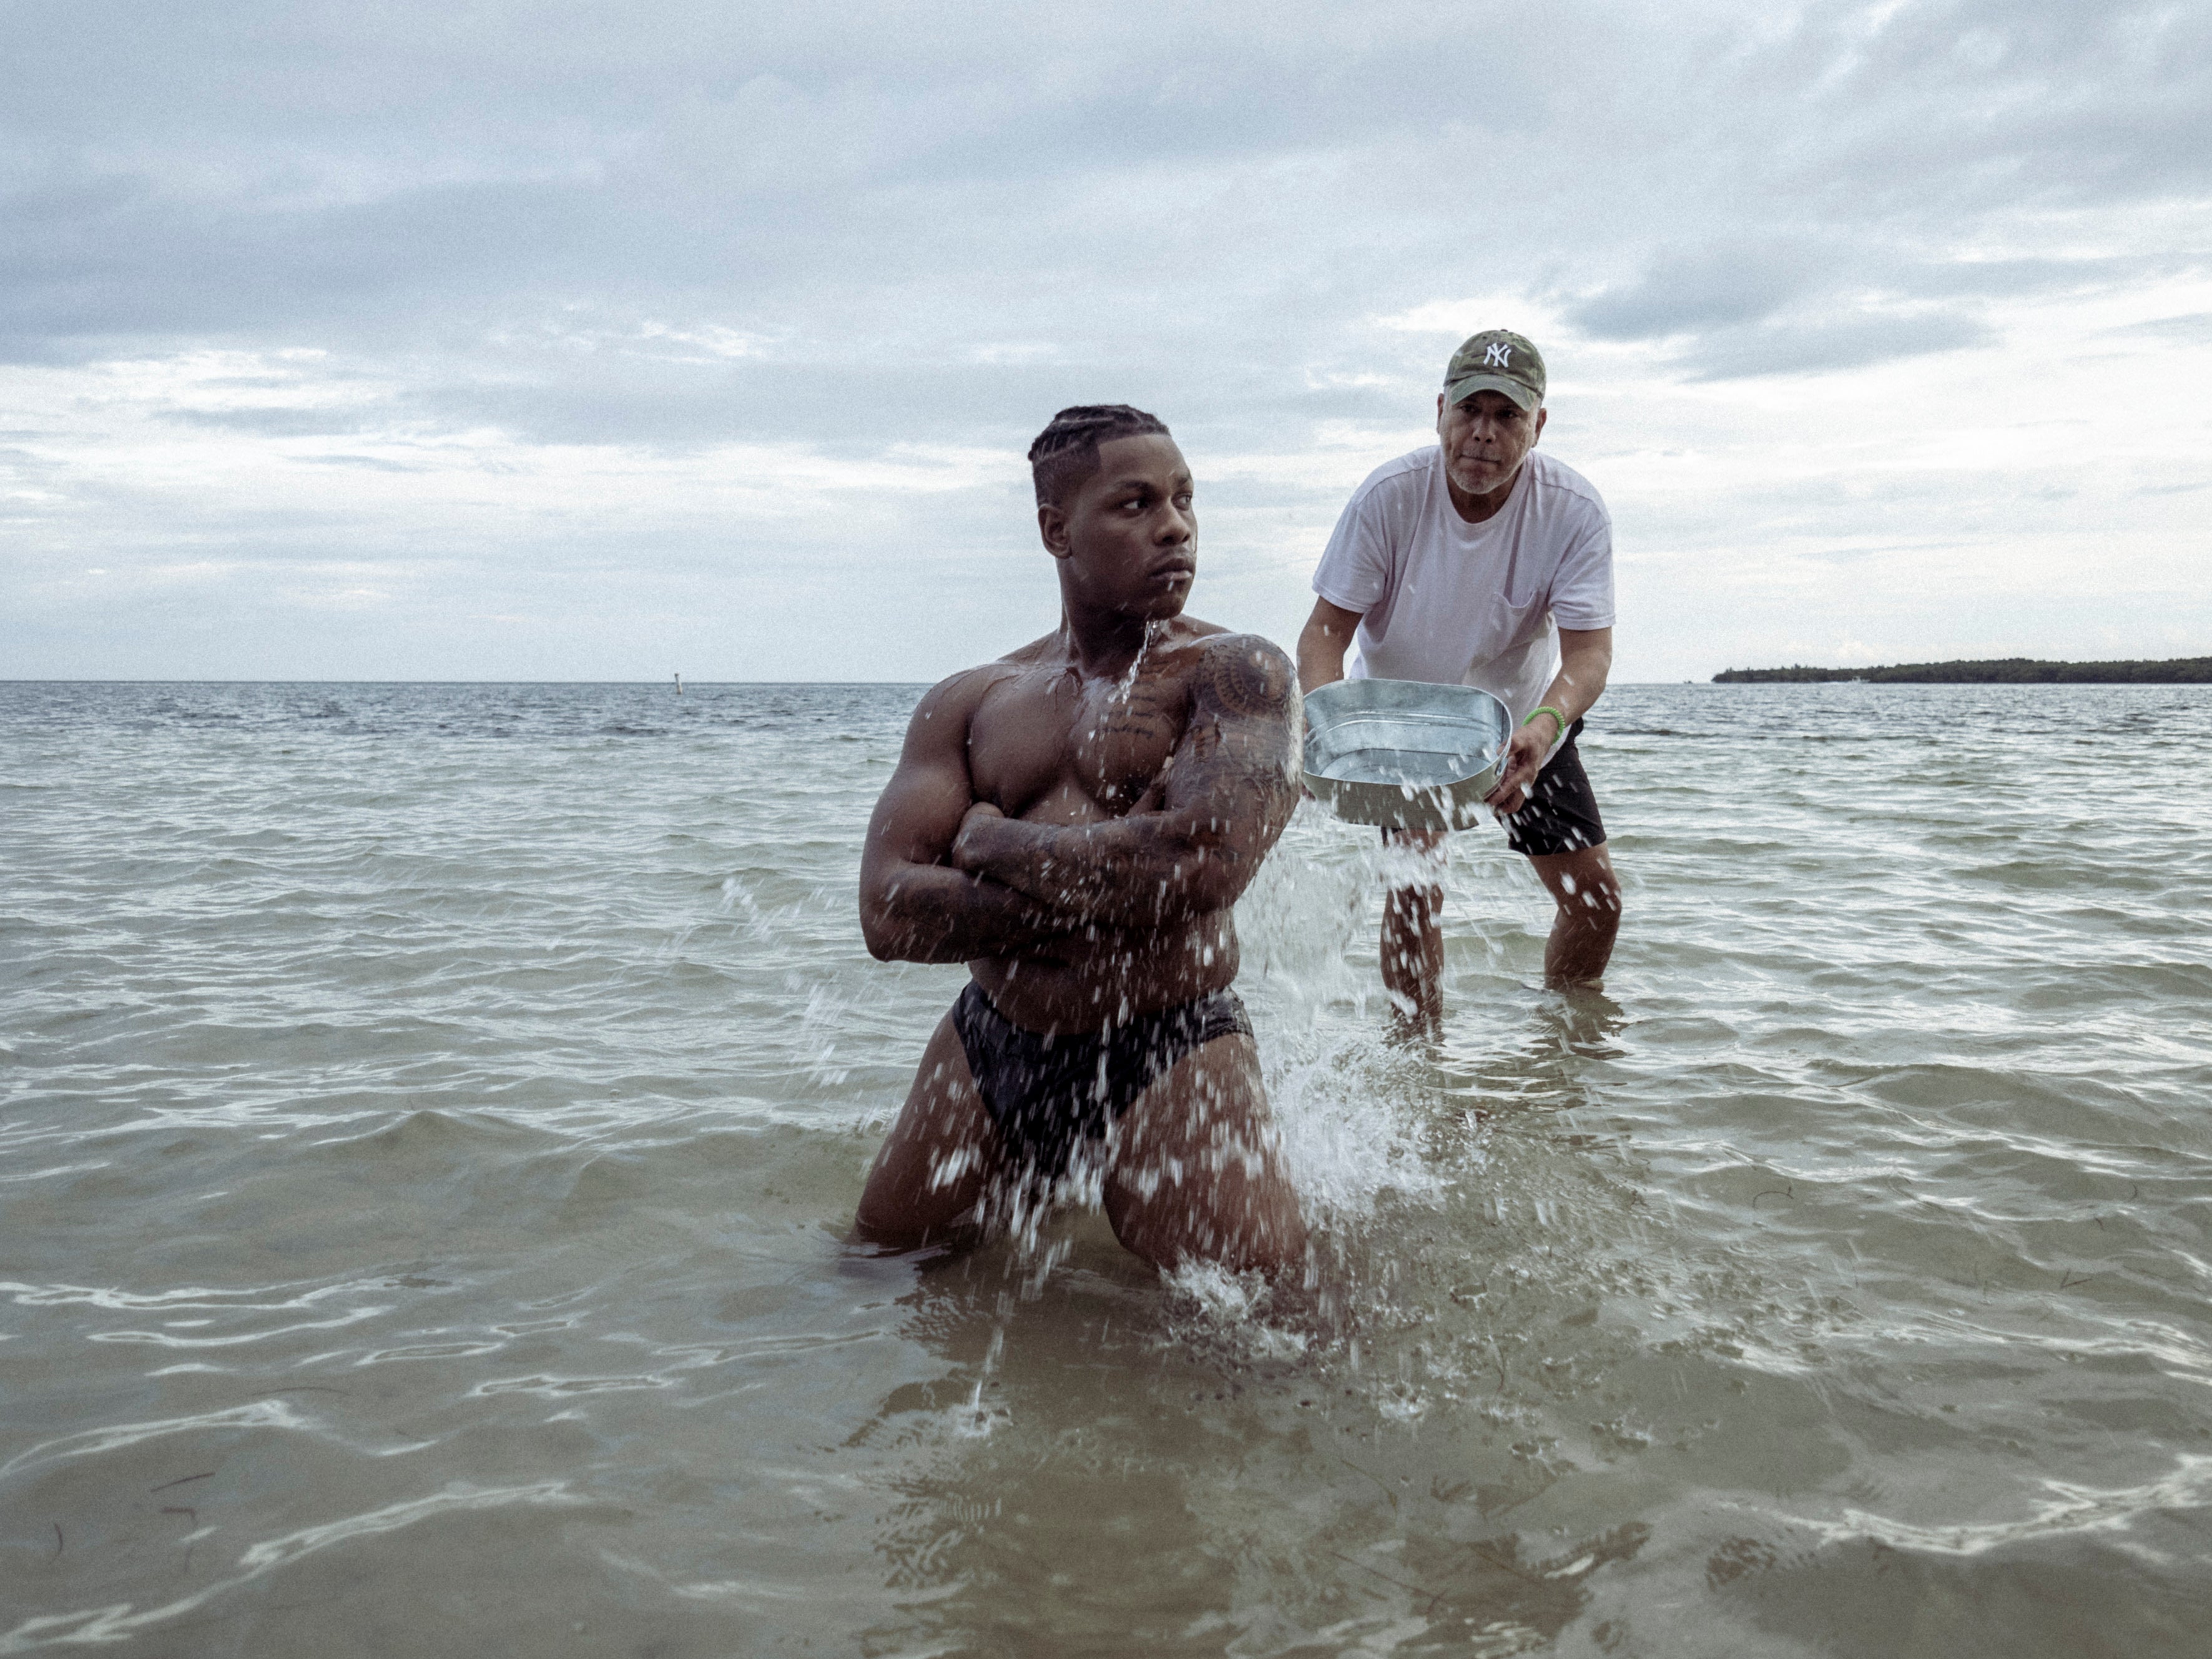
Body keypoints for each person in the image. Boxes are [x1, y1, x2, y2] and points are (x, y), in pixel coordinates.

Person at [854, 404, 1307, 1279]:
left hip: (1172, 1043)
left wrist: (992, 846)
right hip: (994, 1042)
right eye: (1134, 504)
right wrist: (1111, 882)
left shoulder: (1236, 673)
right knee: (874, 1272)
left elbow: (1198, 869)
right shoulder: (972, 699)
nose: (1174, 525)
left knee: (1274, 1335)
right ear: (1055, 530)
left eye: (1183, 499)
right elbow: (886, 914)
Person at [1297, 329, 1621, 1032]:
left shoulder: (1572, 509)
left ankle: (1562, 1050)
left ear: (1537, 425)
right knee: (1415, 899)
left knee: (1594, 902)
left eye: (1506, 416)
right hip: (1402, 728)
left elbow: (1589, 654)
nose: (1483, 434)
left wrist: (1544, 727)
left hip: (1525, 723)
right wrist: (1328, 722)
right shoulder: (1389, 496)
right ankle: (1419, 1068)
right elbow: (1325, 634)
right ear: (1439, 410)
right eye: (1468, 411)